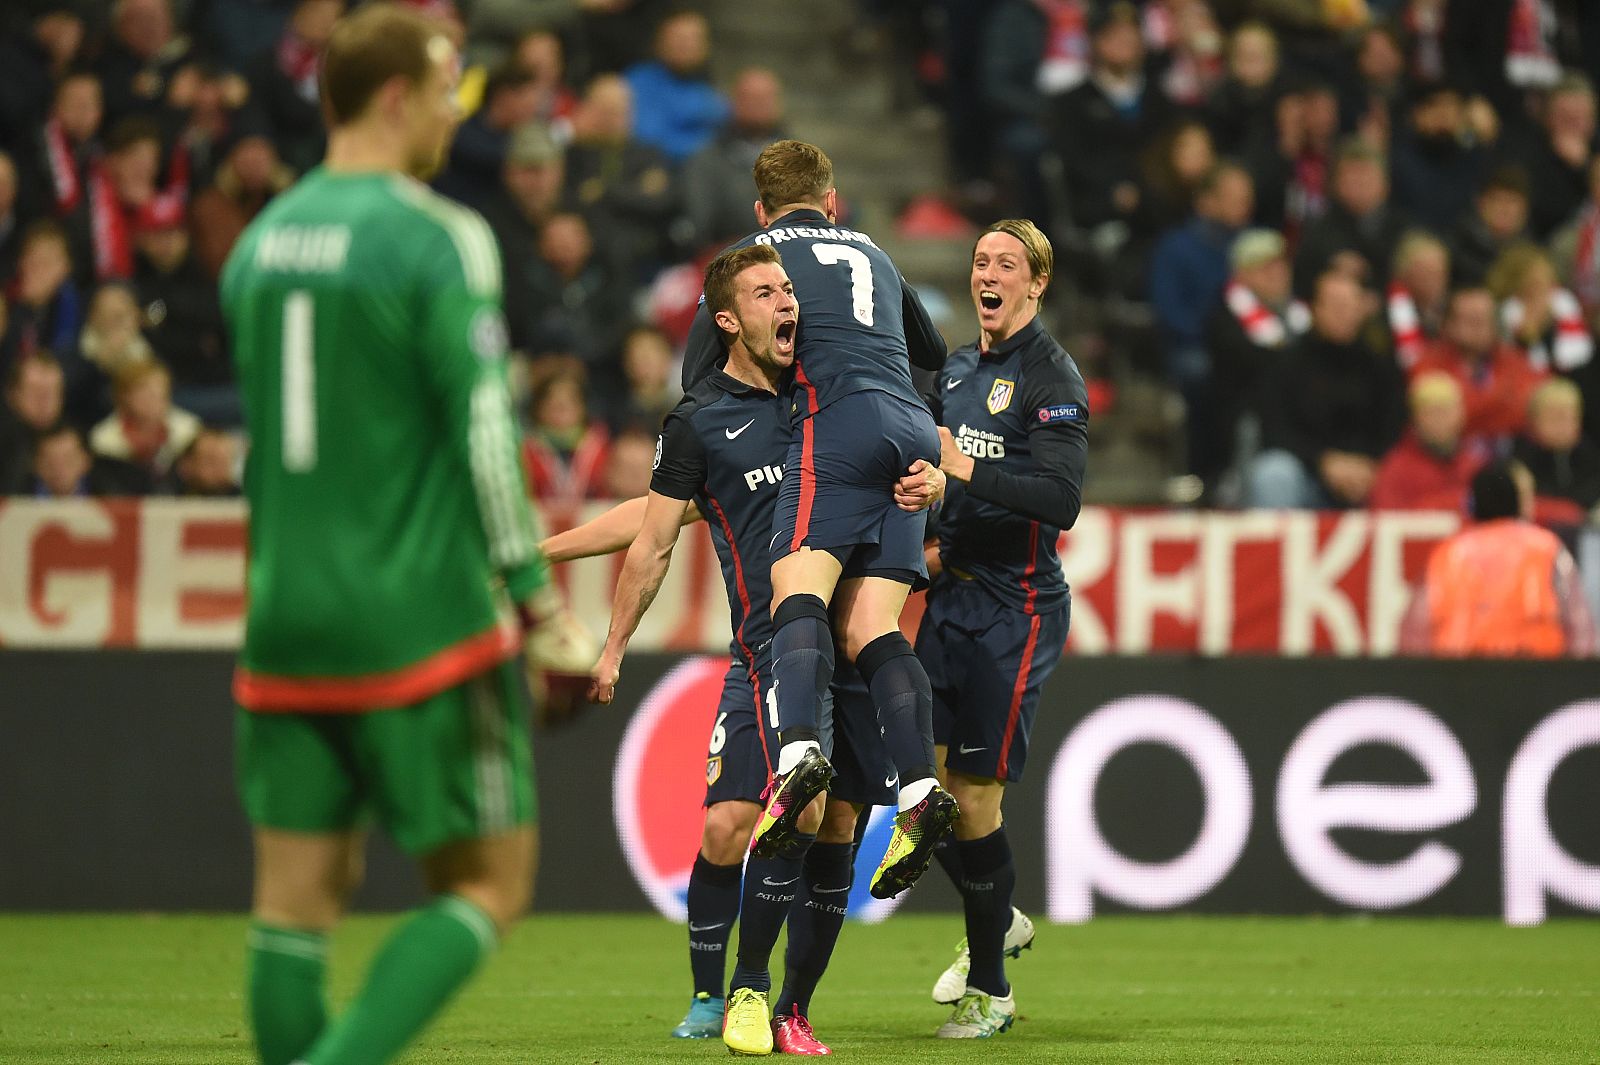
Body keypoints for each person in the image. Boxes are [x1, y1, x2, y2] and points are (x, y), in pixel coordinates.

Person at [219, 9, 575, 1065]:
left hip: (282, 617)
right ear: (391, 97)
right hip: (417, 621)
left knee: (294, 905)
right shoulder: (435, 233)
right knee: (490, 883)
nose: (449, 109)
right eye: (443, 87)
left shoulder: (256, 245)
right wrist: (538, 605)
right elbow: (483, 432)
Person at [579, 244, 936, 1055]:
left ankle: (787, 1005)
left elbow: (922, 469)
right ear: (728, 319)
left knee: (830, 821)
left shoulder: (833, 406)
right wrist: (604, 634)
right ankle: (718, 993)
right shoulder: (704, 420)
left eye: (789, 290)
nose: (789, 303)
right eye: (766, 291)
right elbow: (650, 528)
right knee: (729, 826)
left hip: (846, 651)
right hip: (766, 651)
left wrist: (937, 483)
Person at [677, 140, 956, 909]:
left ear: (762, 212)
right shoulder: (872, 249)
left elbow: (700, 377)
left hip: (834, 426)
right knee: (872, 625)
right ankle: (922, 790)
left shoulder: (753, 258)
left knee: (794, 581)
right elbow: (930, 348)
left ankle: (798, 750)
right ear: (833, 202)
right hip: (909, 427)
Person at [922, 219, 1087, 1039]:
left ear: (1036, 283)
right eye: (981, 260)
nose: (989, 274)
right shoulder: (954, 368)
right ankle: (1001, 913)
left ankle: (992, 988)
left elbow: (1060, 499)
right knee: (926, 792)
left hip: (1014, 608)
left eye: (1006, 264)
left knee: (975, 794)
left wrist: (962, 466)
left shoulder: (1051, 375)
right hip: (949, 595)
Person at [1399, 460, 1596, 656]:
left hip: (1459, 677)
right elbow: (1579, 623)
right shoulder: (1546, 549)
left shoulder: (1448, 554)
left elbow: (1415, 631)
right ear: (1517, 501)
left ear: (1473, 504)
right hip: (1537, 674)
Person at [1246, 271, 1406, 509]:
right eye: (1334, 306)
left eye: (1350, 306)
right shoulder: (1286, 363)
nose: (1343, 314)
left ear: (1362, 310)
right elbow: (1275, 432)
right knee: (1273, 473)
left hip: (1367, 476)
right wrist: (1324, 462)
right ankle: (1270, 548)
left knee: (1406, 473)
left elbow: (1394, 430)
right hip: (1308, 475)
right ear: (1315, 309)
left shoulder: (1381, 366)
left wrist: (1368, 464)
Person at [1410, 286, 1547, 451]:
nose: (1480, 328)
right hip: (1449, 457)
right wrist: (1501, 401)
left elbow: (1538, 404)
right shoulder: (1429, 363)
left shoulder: (1513, 359)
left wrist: (1476, 412)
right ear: (1448, 324)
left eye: (1486, 320)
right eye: (1471, 320)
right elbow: (1446, 419)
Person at [1369, 370, 1484, 512]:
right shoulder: (1395, 469)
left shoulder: (1475, 466)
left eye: (1446, 410)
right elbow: (1386, 518)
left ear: (1461, 414)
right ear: (1415, 417)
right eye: (1430, 412)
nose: (1439, 419)